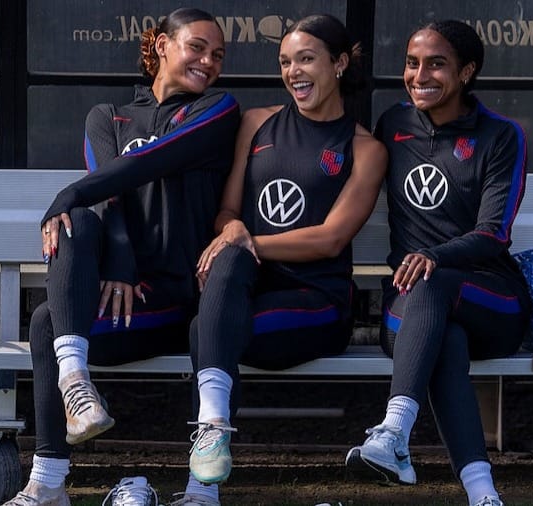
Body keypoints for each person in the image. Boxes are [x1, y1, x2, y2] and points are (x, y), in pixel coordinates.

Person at [3, 8, 240, 505]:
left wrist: (71, 191)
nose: (208, 61)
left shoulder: (216, 110)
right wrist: (120, 264)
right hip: (129, 295)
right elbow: (109, 197)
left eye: (217, 54)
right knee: (58, 287)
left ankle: (202, 491)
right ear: (161, 47)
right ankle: (53, 462)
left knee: (75, 207)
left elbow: (145, 162)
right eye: (197, 47)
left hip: (183, 298)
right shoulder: (107, 116)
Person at [167, 14, 387, 506]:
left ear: (340, 63)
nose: (294, 72)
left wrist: (250, 241)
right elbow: (227, 211)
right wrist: (234, 230)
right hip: (246, 288)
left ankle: (201, 490)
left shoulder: (364, 148)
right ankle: (213, 430)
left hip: (317, 303)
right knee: (226, 272)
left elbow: (331, 239)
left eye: (306, 59)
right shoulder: (256, 122)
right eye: (285, 61)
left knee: (211, 328)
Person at [344, 20, 529, 506]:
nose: (419, 74)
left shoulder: (500, 136)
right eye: (411, 62)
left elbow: (494, 233)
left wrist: (434, 255)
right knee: (442, 337)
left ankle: (393, 431)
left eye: (436, 64)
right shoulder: (394, 126)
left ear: (467, 72)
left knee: (430, 280)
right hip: (412, 312)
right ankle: (483, 493)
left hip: (490, 301)